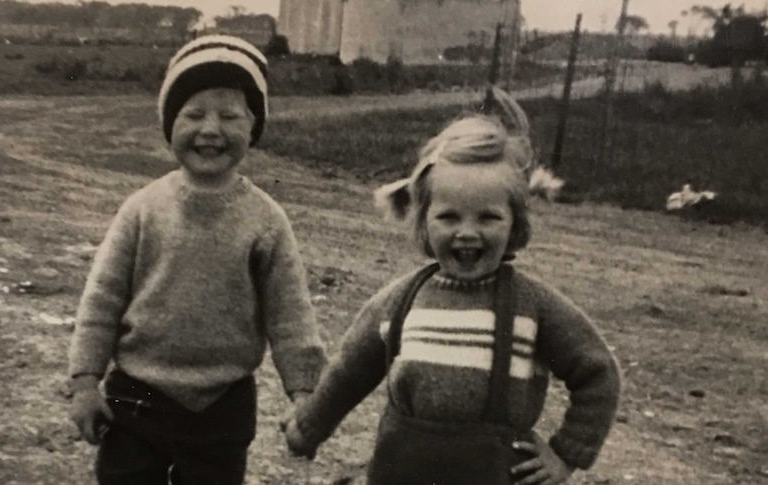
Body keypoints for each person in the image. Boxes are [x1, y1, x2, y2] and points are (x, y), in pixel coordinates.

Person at [283, 113, 621, 485]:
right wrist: (309, 426)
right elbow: (349, 371)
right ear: (424, 221)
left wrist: (566, 453)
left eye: (488, 217)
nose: (467, 233)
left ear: (516, 224)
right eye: (449, 217)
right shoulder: (403, 301)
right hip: (401, 472)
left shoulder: (533, 305)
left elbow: (597, 372)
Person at [67, 34, 327, 485]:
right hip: (136, 396)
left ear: (253, 127)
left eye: (229, 116)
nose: (210, 129)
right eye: (193, 114)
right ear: (171, 124)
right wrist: (85, 382)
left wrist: (304, 392)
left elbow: (291, 313)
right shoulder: (143, 209)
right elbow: (102, 299)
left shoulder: (266, 220)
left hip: (223, 403)